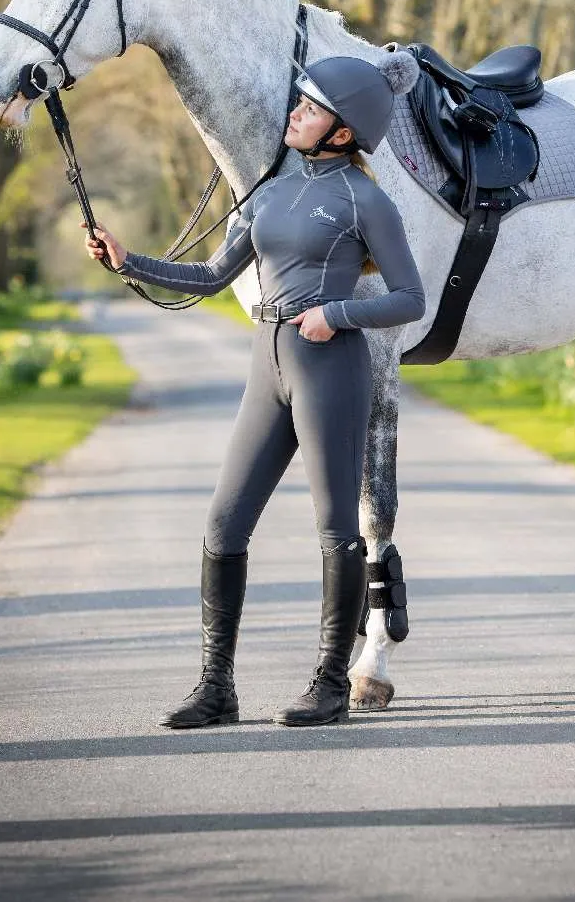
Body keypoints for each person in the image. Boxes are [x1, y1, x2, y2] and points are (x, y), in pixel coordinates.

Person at [84, 49, 424, 728]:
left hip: (330, 365)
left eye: (312, 105)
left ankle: (330, 684)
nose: (296, 111)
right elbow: (212, 277)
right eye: (300, 100)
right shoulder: (270, 192)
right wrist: (131, 263)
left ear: (344, 130)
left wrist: (338, 313)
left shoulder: (366, 199)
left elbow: (409, 298)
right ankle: (216, 689)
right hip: (266, 363)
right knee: (224, 524)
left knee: (335, 529)